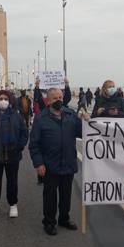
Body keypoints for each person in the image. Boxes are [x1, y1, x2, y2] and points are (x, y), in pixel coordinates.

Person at [29, 87, 82, 236]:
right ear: (48, 100)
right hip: (49, 165)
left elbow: (83, 132)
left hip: (68, 163)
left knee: (66, 196)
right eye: (55, 98)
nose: (58, 100)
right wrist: (38, 163)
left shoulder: (71, 115)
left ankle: (64, 219)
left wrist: (86, 121)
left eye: (60, 97)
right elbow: (34, 144)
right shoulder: (41, 118)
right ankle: (49, 222)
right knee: (50, 196)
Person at [0, 90, 28, 219]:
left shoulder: (16, 116)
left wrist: (19, 147)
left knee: (12, 181)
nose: (3, 101)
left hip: (12, 155)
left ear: (9, 101)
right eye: (0, 99)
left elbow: (24, 132)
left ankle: (13, 205)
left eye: (5, 98)